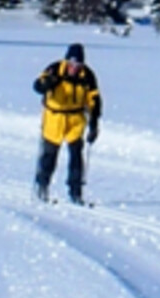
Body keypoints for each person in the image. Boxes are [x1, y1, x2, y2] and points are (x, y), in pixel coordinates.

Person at [32, 43, 102, 205]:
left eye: (78, 64)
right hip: (54, 119)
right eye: (72, 64)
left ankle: (75, 191)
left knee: (76, 156)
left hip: (75, 120)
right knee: (49, 155)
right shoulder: (55, 69)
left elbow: (94, 99)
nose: (74, 68)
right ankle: (42, 186)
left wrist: (94, 122)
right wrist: (48, 83)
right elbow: (37, 86)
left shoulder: (87, 76)